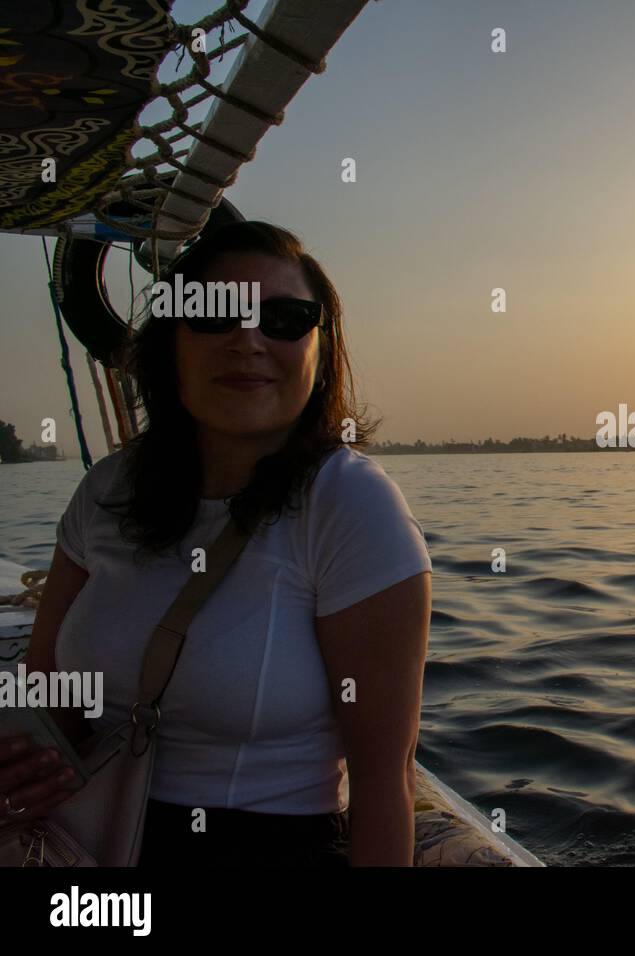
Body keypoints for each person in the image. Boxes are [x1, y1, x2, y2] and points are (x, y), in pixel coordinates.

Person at [1, 221, 433, 866]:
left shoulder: (349, 505)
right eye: (213, 315)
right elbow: (47, 697)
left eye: (285, 319)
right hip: (84, 840)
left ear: (320, 350)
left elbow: (382, 779)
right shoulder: (107, 491)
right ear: (171, 341)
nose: (247, 341)